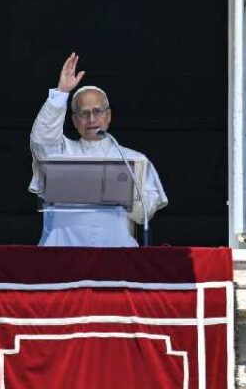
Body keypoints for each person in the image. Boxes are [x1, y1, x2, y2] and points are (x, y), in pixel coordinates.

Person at [29, 52, 168, 247]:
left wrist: (123, 193)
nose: (91, 119)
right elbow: (41, 140)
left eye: (97, 112)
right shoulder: (61, 154)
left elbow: (147, 211)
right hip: (63, 253)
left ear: (109, 116)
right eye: (84, 113)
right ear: (75, 121)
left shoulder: (132, 160)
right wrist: (61, 92)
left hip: (116, 255)